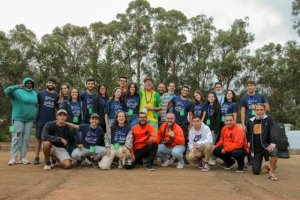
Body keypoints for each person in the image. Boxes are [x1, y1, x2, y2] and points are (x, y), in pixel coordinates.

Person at [4, 77, 38, 165]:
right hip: (18, 119)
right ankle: (13, 158)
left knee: (26, 139)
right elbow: (6, 91)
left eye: (31, 83)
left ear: (32, 85)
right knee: (17, 137)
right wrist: (18, 86)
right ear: (24, 83)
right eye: (27, 82)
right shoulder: (17, 92)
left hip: (29, 120)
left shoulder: (34, 93)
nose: (29, 84)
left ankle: (23, 157)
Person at [240, 80, 270, 166]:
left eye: (251, 85)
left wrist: (256, 107)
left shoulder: (261, 96)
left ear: (255, 86)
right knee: (249, 141)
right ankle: (250, 160)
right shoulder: (244, 98)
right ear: (246, 87)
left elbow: (267, 108)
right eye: (248, 86)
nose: (249, 87)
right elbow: (242, 112)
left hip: (260, 122)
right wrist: (243, 124)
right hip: (249, 123)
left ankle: (267, 160)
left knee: (261, 140)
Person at [247, 103, 279, 181]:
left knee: (274, 151)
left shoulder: (269, 119)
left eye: (261, 110)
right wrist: (249, 144)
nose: (259, 112)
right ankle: (266, 165)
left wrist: (272, 144)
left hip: (266, 146)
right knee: (256, 172)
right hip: (257, 148)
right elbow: (248, 134)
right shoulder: (250, 121)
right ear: (255, 111)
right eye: (257, 110)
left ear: (264, 110)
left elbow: (274, 132)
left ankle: (271, 173)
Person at [34, 77, 59, 165]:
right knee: (38, 139)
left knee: (49, 140)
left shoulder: (56, 96)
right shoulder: (40, 94)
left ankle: (47, 158)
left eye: (53, 83)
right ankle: (36, 157)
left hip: (51, 121)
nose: (51, 84)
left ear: (55, 85)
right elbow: (35, 104)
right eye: (49, 82)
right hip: (40, 119)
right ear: (46, 84)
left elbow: (57, 108)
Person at [167, 86, 193, 164]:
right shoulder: (175, 99)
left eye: (187, 90)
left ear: (188, 92)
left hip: (184, 124)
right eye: (183, 90)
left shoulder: (190, 103)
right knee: (173, 139)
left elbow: (191, 115)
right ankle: (174, 156)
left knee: (183, 140)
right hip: (174, 123)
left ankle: (183, 156)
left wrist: (190, 126)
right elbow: (168, 107)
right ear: (181, 91)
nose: (185, 91)